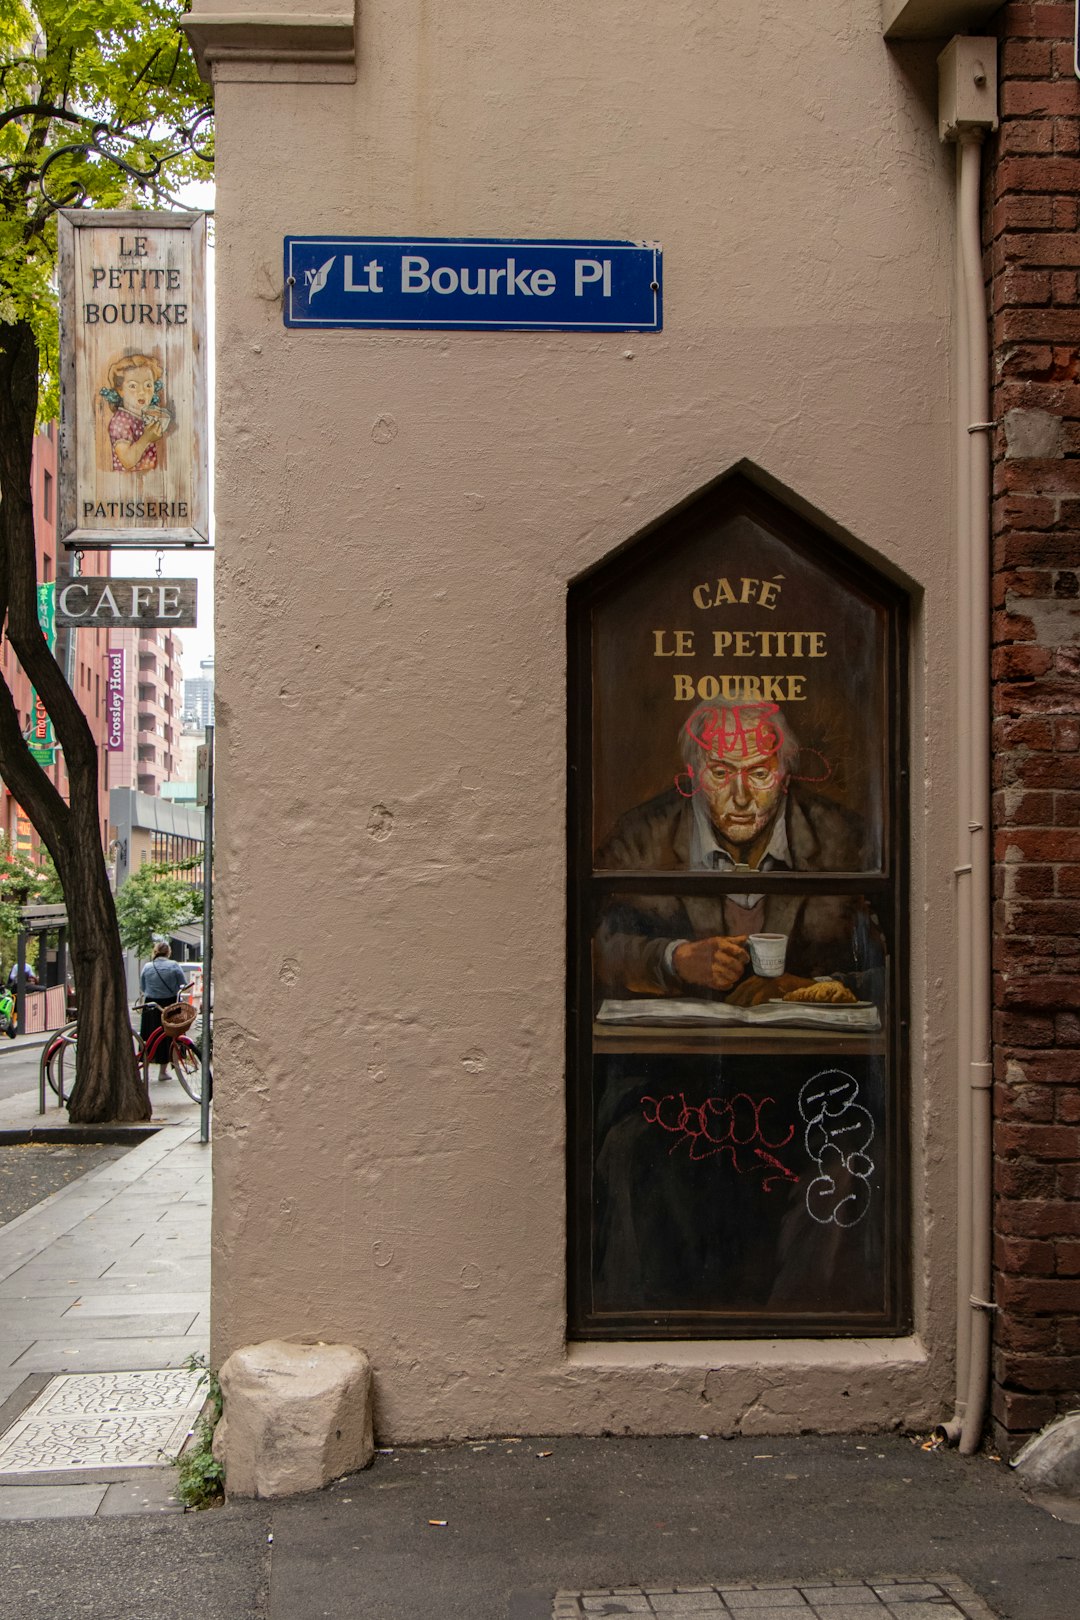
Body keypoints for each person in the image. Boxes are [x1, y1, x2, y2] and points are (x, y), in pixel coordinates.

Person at [595, 698, 882, 1003]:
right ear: (693, 772)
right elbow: (589, 946)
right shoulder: (639, 838)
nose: (741, 798)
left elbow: (897, 963)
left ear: (785, 774)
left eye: (759, 774)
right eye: (720, 773)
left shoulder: (847, 840)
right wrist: (673, 958)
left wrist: (804, 986)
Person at [99, 352, 168, 473]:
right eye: (133, 386)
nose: (142, 392)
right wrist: (147, 438)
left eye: (148, 385)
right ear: (120, 390)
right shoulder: (120, 421)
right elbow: (127, 461)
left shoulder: (145, 417)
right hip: (128, 484)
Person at [140, 943, 189, 1075]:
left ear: (155, 951)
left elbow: (143, 987)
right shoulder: (174, 965)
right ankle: (163, 1072)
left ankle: (145, 1069)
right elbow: (182, 984)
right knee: (169, 1036)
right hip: (170, 1004)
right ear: (169, 952)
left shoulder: (147, 966)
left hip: (151, 1005)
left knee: (149, 1035)